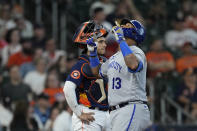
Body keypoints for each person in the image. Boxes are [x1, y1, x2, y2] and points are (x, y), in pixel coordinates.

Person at [87, 18, 151, 131]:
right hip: (116, 111)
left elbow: (133, 65)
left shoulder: (137, 51)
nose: (123, 26)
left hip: (131, 107)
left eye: (128, 25)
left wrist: (121, 40)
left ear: (136, 32)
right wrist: (92, 53)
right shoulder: (115, 56)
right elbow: (97, 72)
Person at [63, 21, 110, 131]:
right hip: (89, 115)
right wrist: (79, 112)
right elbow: (68, 88)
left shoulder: (104, 61)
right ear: (90, 43)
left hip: (106, 115)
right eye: (101, 41)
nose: (105, 44)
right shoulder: (82, 64)